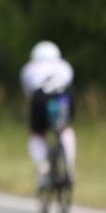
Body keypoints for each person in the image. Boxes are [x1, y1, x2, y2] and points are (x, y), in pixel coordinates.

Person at [20, 41, 76, 190]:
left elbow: (29, 94)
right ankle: (69, 166)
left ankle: (42, 166)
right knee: (65, 128)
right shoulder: (65, 66)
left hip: (41, 96)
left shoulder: (29, 68)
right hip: (64, 95)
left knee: (37, 134)